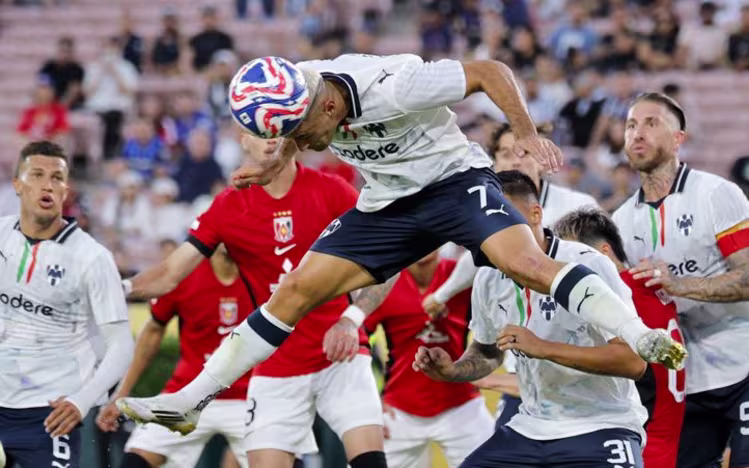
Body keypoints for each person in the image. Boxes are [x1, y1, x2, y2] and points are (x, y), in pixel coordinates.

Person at [117, 53, 685, 442]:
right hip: (387, 203)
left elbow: (489, 71)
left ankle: (637, 334)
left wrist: (527, 131)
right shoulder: (303, 92)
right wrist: (273, 161)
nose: (303, 145)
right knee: (293, 292)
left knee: (527, 264)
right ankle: (191, 401)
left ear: (328, 108)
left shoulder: (394, 86)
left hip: (452, 182)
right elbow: (291, 129)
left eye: (301, 134)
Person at [116, 152, 395, 468]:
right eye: (258, 131)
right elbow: (166, 282)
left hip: (338, 356)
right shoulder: (226, 209)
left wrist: (351, 319)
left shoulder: (332, 190)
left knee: (369, 461)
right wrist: (117, 289)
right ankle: (188, 401)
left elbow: (390, 256)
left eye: (279, 129)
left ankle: (188, 401)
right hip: (274, 369)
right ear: (243, 138)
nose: (271, 138)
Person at [414, 170, 648, 467]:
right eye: (483, 223)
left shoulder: (588, 265)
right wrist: (453, 370)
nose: (492, 232)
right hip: (529, 426)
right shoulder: (487, 277)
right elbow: (487, 352)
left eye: (502, 219)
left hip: (601, 424)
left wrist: (543, 348)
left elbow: (633, 362)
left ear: (536, 214)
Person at [612, 92, 749, 468]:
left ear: (679, 138)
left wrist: (678, 285)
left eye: (651, 123)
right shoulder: (621, 221)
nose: (637, 133)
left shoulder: (715, 194)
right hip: (689, 377)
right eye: (631, 125)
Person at [420, 122, 600, 428]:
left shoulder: (578, 208)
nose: (515, 160)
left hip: (584, 375)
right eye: (505, 153)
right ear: (493, 162)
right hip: (523, 374)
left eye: (524, 152)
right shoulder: (482, 220)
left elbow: (608, 271)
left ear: (542, 159)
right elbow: (474, 262)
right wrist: (443, 297)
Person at [0, 141, 133, 468]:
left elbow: (121, 344)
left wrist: (81, 401)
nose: (47, 184)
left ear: (65, 190)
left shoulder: (93, 258)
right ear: (18, 185)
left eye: (57, 178)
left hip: (49, 414)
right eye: (37, 175)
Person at [96, 245, 254, 468]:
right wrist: (120, 394)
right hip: (188, 393)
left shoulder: (265, 273)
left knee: (282, 459)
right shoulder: (184, 273)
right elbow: (153, 331)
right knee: (135, 461)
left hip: (250, 396)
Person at [553, 207, 686, 468]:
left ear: (603, 253)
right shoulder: (649, 286)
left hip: (637, 445)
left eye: (574, 255)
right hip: (663, 440)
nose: (566, 267)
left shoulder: (617, 299)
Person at [362, 250, 493, 467]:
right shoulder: (385, 286)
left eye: (430, 236)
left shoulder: (463, 275)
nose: (423, 245)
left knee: (496, 460)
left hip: (461, 405)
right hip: (399, 409)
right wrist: (369, 405)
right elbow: (357, 344)